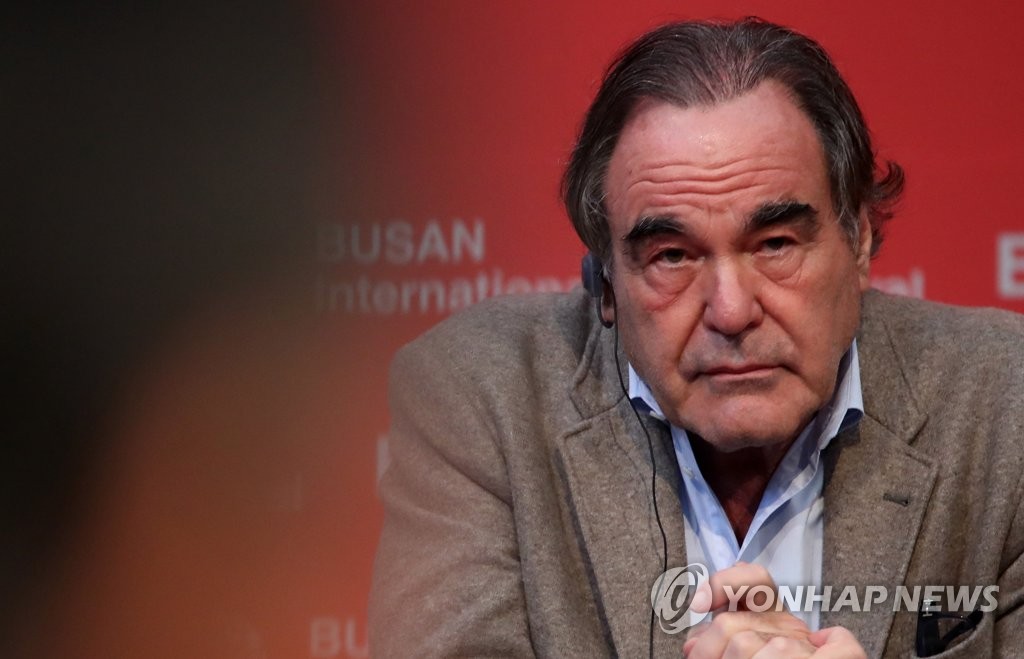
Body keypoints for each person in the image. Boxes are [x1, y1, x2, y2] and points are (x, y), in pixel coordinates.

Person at [369, 18, 1024, 658]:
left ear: (858, 244)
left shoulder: (1006, 403)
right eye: (673, 256)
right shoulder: (478, 399)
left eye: (774, 244)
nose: (731, 312)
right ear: (605, 284)